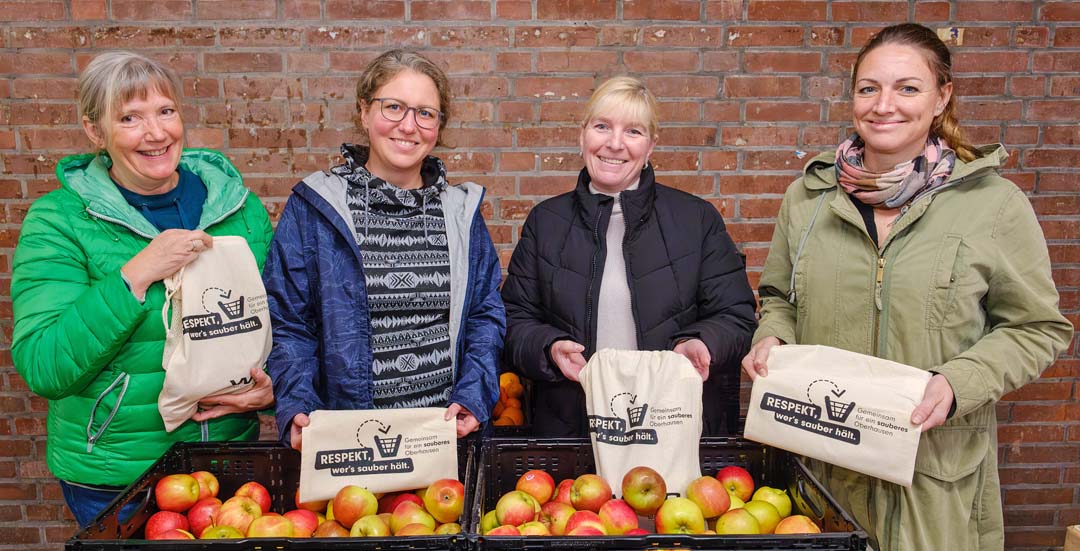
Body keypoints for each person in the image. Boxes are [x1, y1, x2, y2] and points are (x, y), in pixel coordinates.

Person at [741, 23, 1073, 551]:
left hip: (935, 485)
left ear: (942, 97)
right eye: (868, 88)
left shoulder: (994, 204)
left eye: (907, 88)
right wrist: (772, 337)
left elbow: (1037, 328)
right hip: (825, 481)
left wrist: (957, 381)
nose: (883, 105)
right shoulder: (806, 201)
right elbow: (780, 298)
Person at [11, 51, 275, 527]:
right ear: (96, 132)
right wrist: (133, 276)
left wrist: (272, 389)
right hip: (120, 475)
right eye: (129, 118)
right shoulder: (59, 222)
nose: (155, 133)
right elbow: (44, 365)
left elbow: (279, 320)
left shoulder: (238, 210)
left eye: (165, 111)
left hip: (230, 461)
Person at [264, 49, 504, 448]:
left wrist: (473, 396)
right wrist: (297, 402)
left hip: (445, 439)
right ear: (364, 111)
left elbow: (485, 314)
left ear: (438, 126)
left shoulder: (460, 213)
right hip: (348, 440)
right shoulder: (316, 208)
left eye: (425, 113)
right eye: (393, 107)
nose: (409, 126)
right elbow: (289, 322)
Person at [501, 76, 758, 438]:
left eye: (633, 131)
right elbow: (513, 320)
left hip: (673, 425)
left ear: (651, 145)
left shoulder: (695, 219)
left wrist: (702, 342)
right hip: (573, 428)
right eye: (602, 126)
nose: (615, 144)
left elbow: (737, 314)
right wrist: (549, 348)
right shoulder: (546, 222)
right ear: (583, 134)